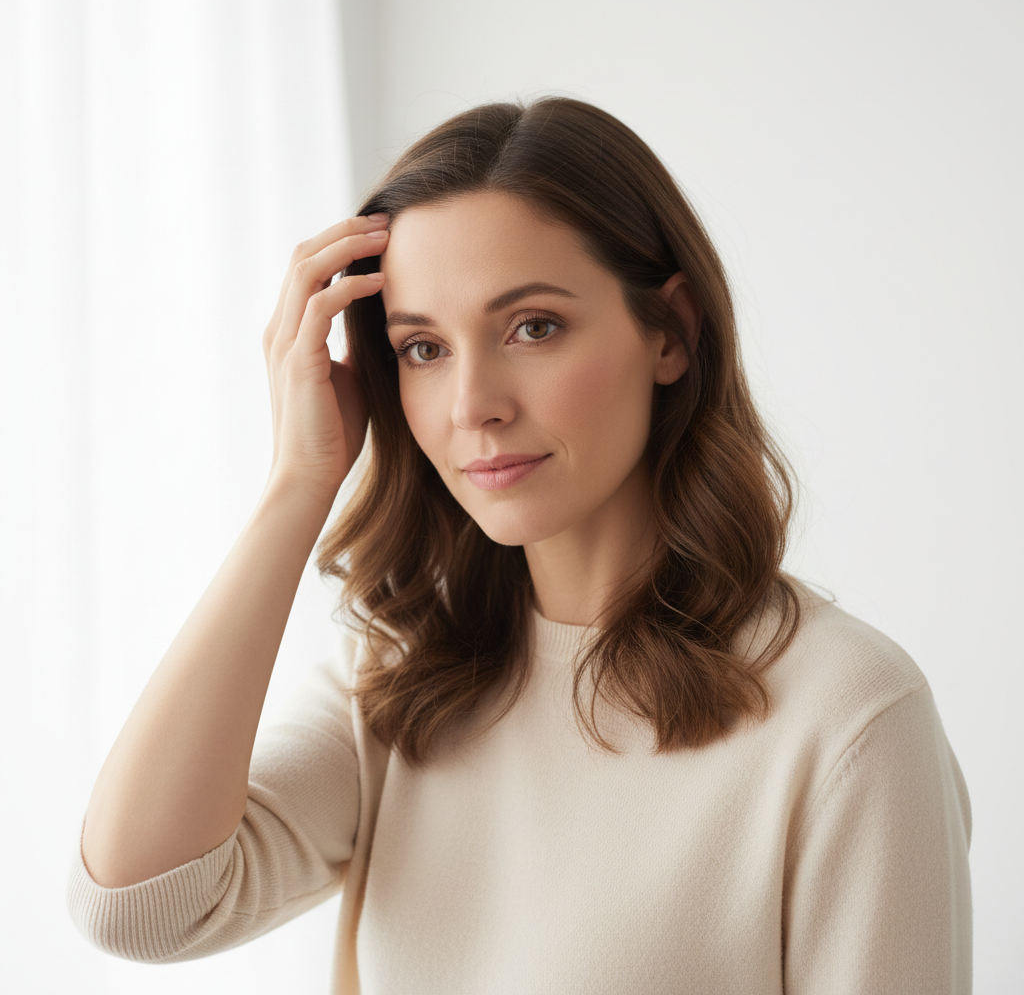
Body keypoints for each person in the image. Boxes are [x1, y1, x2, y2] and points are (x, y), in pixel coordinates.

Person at [67, 96, 972, 994]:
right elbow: (139, 903)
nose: (473, 406)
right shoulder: (398, 682)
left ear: (673, 332)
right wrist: (298, 484)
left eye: (532, 328)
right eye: (423, 348)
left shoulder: (849, 718)